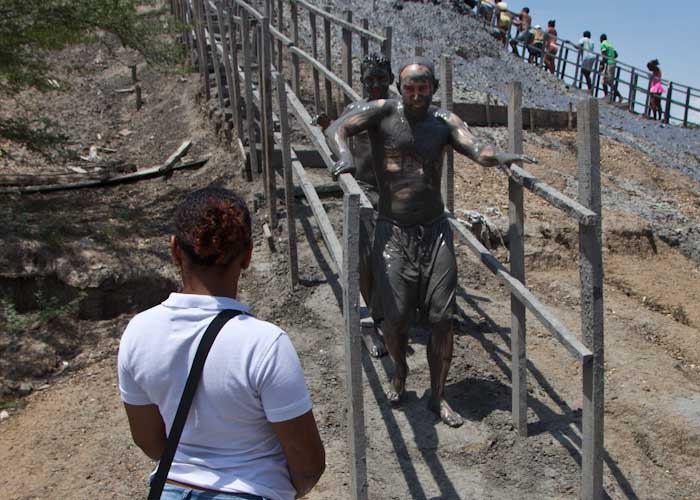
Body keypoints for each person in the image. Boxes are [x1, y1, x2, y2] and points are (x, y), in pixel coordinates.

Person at [328, 58, 534, 428]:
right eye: (410, 87)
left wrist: (500, 156)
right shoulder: (382, 112)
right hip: (392, 229)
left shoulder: (444, 122)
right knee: (395, 318)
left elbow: (476, 148)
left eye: (424, 87)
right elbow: (339, 128)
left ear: (433, 88)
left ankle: (439, 396)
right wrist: (344, 157)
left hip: (435, 230)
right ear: (400, 87)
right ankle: (400, 375)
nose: (417, 94)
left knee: (442, 317)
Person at [118, 187, 325, 500]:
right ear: (248, 254)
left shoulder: (138, 332)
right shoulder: (265, 344)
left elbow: (149, 442)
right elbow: (308, 465)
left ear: (175, 250)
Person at [325, 54, 394, 358]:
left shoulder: (402, 112)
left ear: (390, 78)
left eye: (381, 78)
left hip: (396, 195)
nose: (376, 84)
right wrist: (344, 156)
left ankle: (390, 319)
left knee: (394, 262)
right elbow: (335, 134)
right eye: (370, 79)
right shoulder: (355, 111)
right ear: (362, 82)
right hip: (365, 192)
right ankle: (372, 325)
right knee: (366, 258)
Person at [599, 33, 623, 102]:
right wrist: (611, 57)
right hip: (612, 63)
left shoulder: (603, 44)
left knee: (609, 81)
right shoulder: (610, 45)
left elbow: (603, 55)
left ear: (601, 39)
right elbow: (616, 54)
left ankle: (619, 96)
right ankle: (606, 96)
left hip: (609, 64)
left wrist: (601, 65)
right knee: (604, 82)